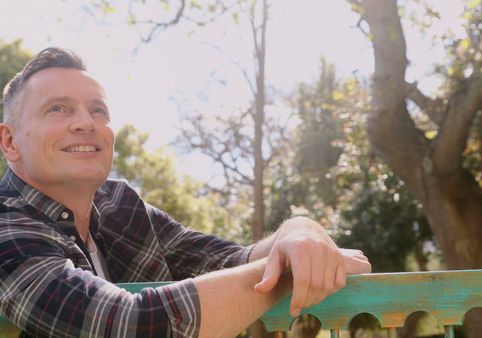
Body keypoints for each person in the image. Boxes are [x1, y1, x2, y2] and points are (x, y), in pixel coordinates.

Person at [0, 47, 371, 338]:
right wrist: (287, 273)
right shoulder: (6, 226)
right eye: (57, 109)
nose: (85, 123)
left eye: (98, 110)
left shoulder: (121, 206)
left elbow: (232, 263)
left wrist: (300, 233)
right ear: (10, 141)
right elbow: (130, 326)